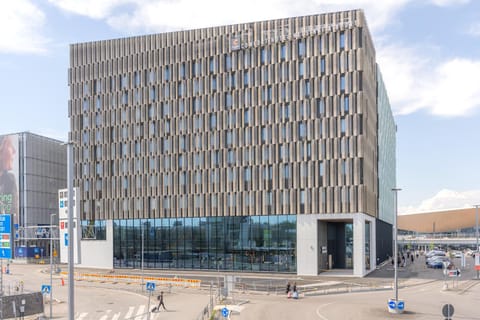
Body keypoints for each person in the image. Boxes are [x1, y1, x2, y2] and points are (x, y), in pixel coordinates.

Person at [0, 135, 18, 217]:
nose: (14, 151)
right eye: (9, 145)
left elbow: (14, 214)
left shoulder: (10, 180)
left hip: (6, 227)